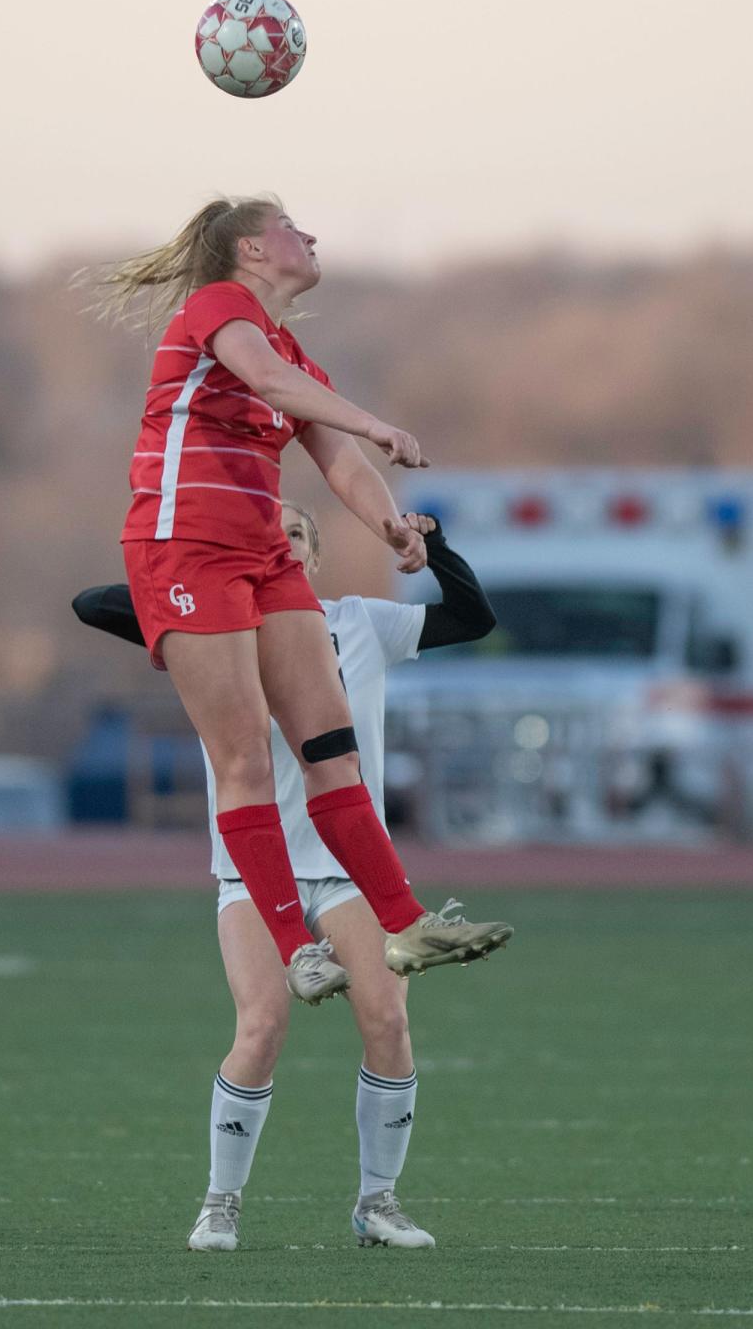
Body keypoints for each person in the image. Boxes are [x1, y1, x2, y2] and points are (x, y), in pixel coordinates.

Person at [94, 194, 511, 1005]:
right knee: (246, 756)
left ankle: (408, 922)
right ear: (252, 249)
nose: (311, 235)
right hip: (183, 549)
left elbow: (342, 462)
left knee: (331, 751)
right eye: (293, 226)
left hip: (261, 555)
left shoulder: (294, 354)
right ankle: (294, 946)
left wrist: (394, 527)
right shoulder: (221, 308)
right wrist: (378, 421)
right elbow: (264, 378)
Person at [72, 503, 503, 1251]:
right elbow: (93, 606)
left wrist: (431, 545)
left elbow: (472, 617)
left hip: (347, 872)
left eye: (293, 535)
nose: (278, 543)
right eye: (260, 535)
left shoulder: (360, 623)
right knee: (262, 1026)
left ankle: (379, 1204)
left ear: (314, 556)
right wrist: (189, 584)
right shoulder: (213, 631)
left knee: (389, 1023)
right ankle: (219, 1204)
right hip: (251, 872)